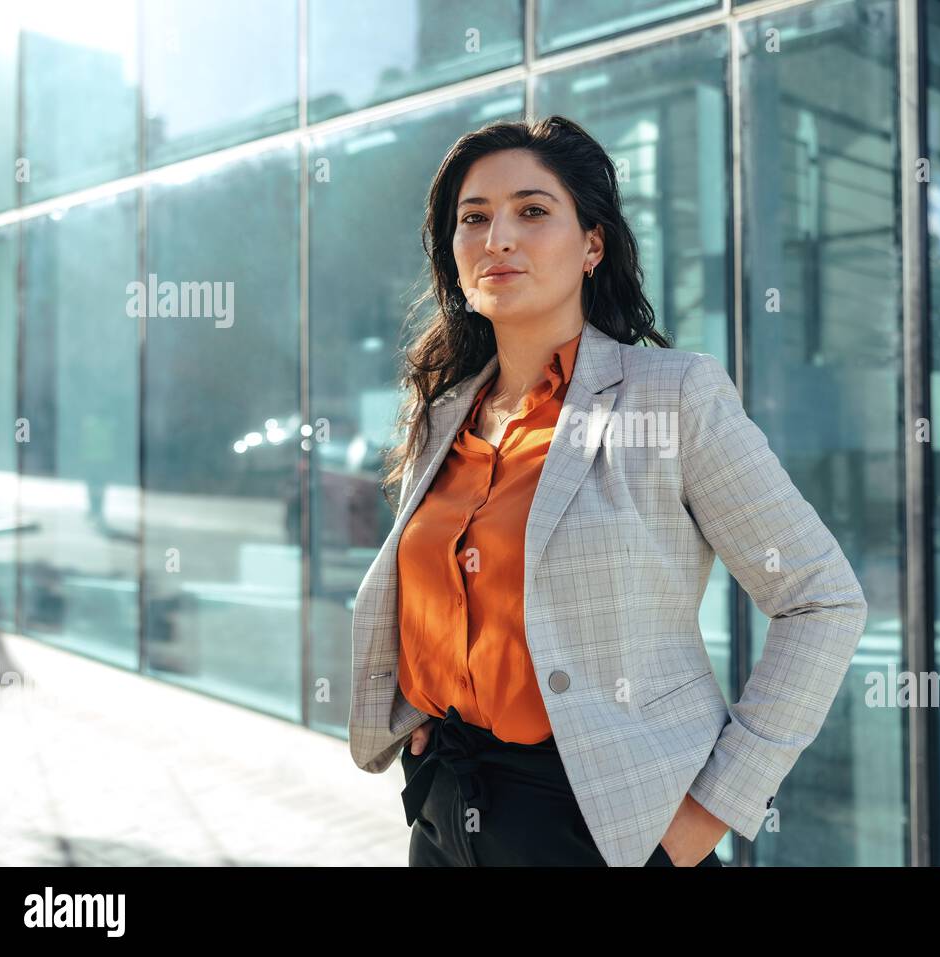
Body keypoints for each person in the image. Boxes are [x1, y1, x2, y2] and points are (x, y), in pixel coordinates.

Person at [348, 115, 868, 867]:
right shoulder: (441, 413)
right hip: (444, 812)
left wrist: (706, 815)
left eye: (532, 211)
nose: (499, 236)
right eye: (474, 217)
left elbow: (821, 600)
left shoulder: (671, 395)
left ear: (592, 244)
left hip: (608, 829)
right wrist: (427, 708)